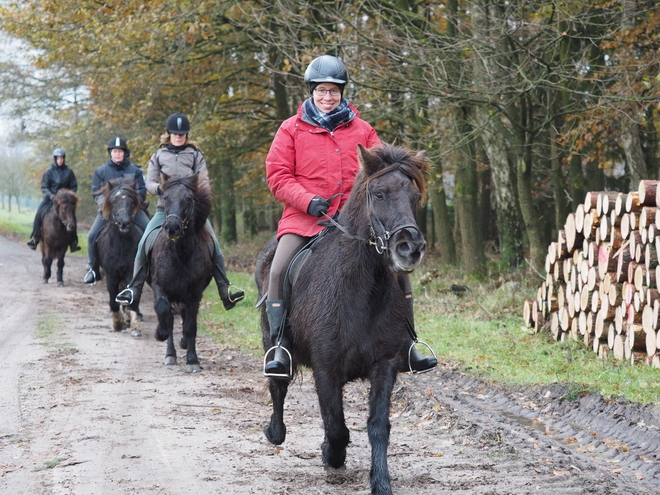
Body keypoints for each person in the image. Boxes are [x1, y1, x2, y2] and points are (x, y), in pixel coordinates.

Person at [263, 54, 437, 379]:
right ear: (311, 91)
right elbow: (278, 176)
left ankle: (409, 345)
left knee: (400, 271)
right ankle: (280, 347)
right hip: (306, 220)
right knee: (278, 270)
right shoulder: (290, 129)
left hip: (356, 224)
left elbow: (383, 173)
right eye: (321, 91)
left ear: (342, 92)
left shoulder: (363, 130)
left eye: (334, 91)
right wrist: (307, 200)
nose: (327, 97)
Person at [115, 113, 244, 312]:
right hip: (163, 210)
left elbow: (204, 181)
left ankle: (225, 290)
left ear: (186, 135)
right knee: (143, 243)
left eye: (182, 134)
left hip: (190, 212)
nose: (178, 137)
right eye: (175, 134)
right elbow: (148, 182)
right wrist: (160, 189)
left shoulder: (194, 155)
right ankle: (134, 290)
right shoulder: (158, 155)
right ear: (169, 134)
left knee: (213, 244)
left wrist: (196, 195)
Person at [83, 137, 150, 284]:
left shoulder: (135, 171)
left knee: (149, 232)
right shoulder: (101, 171)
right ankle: (93, 269)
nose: (117, 154)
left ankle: (150, 267)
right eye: (115, 151)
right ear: (110, 153)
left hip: (132, 210)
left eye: (120, 151)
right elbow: (96, 193)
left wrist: (131, 205)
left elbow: (141, 191)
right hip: (108, 212)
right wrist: (106, 206)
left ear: (125, 153)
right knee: (92, 236)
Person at [27, 148, 80, 252]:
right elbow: (44, 187)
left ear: (64, 159)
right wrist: (51, 195)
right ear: (55, 159)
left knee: (72, 217)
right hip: (50, 199)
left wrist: (67, 195)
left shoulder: (69, 172)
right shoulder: (49, 171)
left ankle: (73, 242)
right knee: (39, 214)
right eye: (58, 158)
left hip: (64, 201)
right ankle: (35, 238)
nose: (60, 160)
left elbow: (74, 187)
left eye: (61, 158)